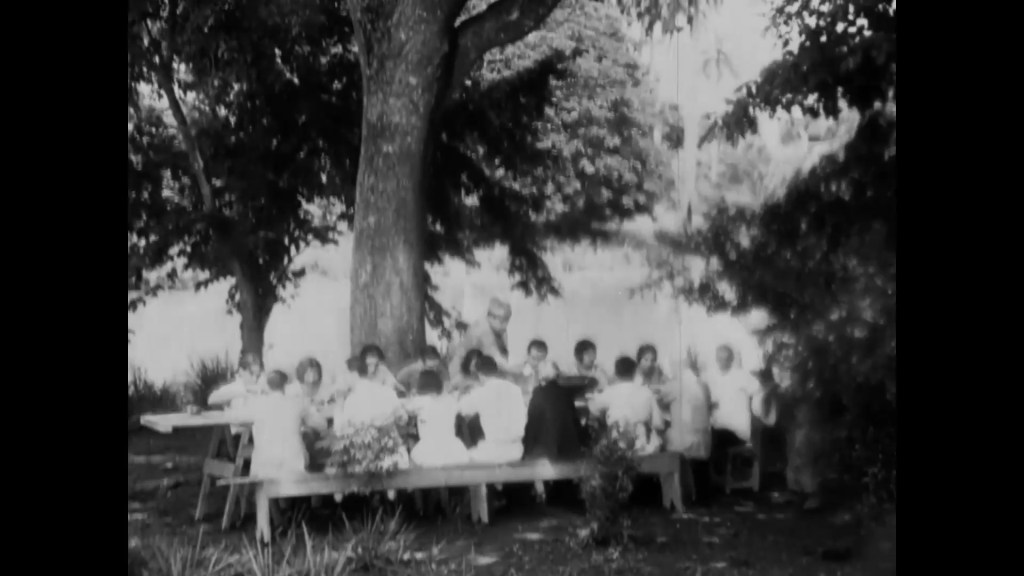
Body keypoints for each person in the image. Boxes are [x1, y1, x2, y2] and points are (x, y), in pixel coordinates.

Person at [705, 344, 764, 479]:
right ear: (716, 359)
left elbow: (759, 391)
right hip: (717, 428)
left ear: (732, 359)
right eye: (720, 358)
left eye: (726, 358)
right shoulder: (711, 378)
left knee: (715, 440)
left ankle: (719, 477)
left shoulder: (742, 376)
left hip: (737, 431)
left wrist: (756, 409)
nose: (723, 362)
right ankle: (713, 479)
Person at [458, 355, 527, 464]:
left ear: (480, 374)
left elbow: (460, 409)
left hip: (494, 451)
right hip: (517, 450)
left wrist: (463, 392)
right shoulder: (516, 389)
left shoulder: (480, 392)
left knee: (463, 456)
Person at [589, 356, 664, 455]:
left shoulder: (609, 392)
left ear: (616, 373)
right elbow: (658, 423)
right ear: (635, 372)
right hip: (646, 448)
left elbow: (593, 409)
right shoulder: (647, 392)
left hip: (618, 448)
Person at [405, 370, 469, 468]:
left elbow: (406, 409)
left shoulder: (419, 401)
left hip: (428, 450)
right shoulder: (450, 400)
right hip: (454, 449)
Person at [448, 297, 514, 380]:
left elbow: (502, 359)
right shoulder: (479, 330)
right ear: (490, 316)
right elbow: (460, 355)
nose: (505, 323)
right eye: (502, 319)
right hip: (471, 377)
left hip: (491, 375)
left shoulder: (501, 331)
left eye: (507, 319)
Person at [207, 352, 268, 437]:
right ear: (241, 371)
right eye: (251, 374)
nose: (254, 379)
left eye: (257, 376)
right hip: (238, 436)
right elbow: (211, 399)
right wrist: (243, 392)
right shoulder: (234, 387)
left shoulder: (262, 388)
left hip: (259, 434)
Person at [514, 339, 560, 404]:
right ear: (527, 356)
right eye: (534, 358)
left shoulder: (549, 372)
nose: (537, 362)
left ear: (546, 357)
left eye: (541, 359)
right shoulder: (517, 372)